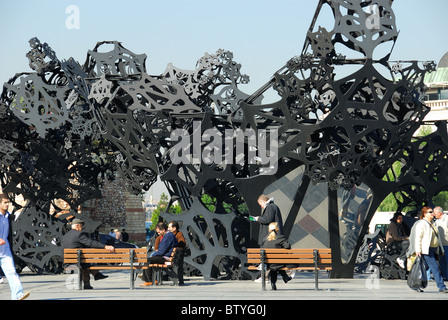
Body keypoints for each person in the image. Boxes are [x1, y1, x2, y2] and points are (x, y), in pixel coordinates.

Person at [63, 218, 115, 289]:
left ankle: (95, 276)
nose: (82, 228)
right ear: (77, 226)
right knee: (86, 265)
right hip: (77, 261)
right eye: (81, 226)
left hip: (68, 261)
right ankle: (94, 277)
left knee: (85, 263)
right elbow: (90, 243)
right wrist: (105, 246)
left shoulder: (66, 235)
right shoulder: (79, 234)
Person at [407, 207, 448, 293]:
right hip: (426, 249)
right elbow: (418, 237)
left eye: (432, 212)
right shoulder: (422, 223)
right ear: (424, 214)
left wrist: (441, 248)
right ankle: (441, 286)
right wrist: (417, 249)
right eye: (430, 212)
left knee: (422, 268)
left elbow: (438, 237)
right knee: (435, 267)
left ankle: (415, 284)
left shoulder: (433, 223)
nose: (432, 213)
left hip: (433, 249)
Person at [0, 194, 30, 300]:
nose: (7, 204)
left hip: (5, 250)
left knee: (12, 272)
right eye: (5, 202)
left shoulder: (8, 216)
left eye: (8, 202)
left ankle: (17, 295)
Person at [140, 222, 178, 286]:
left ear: (163, 230)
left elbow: (161, 251)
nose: (158, 233)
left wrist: (152, 255)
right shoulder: (169, 235)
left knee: (147, 260)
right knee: (149, 260)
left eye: (158, 232)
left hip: (165, 258)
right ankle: (151, 279)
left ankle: (149, 280)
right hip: (167, 256)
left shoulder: (167, 236)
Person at [262, 222, 292, 290]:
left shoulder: (265, 239)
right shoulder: (280, 238)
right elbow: (288, 246)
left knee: (274, 266)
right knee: (277, 263)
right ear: (277, 229)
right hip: (279, 262)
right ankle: (285, 277)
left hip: (268, 263)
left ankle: (275, 283)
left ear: (269, 230)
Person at [168, 220, 186, 284]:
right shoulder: (171, 234)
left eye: (169, 227)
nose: (168, 229)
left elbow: (182, 243)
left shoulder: (179, 234)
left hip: (177, 255)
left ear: (174, 228)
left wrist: (174, 246)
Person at [434, 206, 448, 279]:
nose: (434, 214)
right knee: (442, 261)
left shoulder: (447, 219)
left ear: (440, 213)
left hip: (446, 243)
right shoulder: (436, 221)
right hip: (440, 244)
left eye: (435, 213)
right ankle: (445, 276)